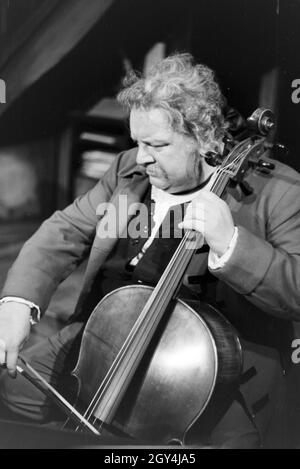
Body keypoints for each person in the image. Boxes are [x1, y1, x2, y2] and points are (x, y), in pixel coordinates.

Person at [0, 53, 299, 449]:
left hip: (208, 365)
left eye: (157, 144)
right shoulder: (129, 169)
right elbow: (66, 229)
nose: (141, 157)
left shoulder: (278, 191)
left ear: (204, 138)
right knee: (15, 391)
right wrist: (16, 302)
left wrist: (231, 245)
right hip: (109, 334)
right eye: (137, 141)